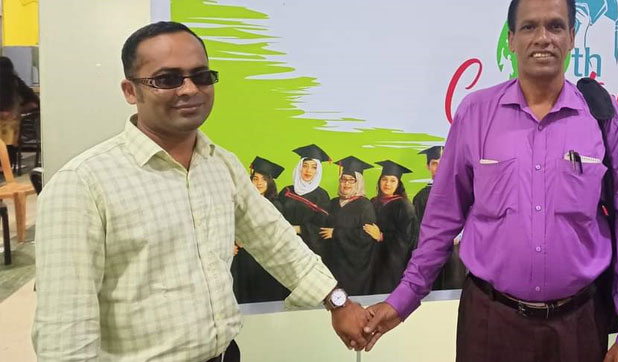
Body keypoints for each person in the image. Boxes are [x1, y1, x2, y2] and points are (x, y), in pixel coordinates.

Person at [33, 21, 370, 361]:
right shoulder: (83, 184)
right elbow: (65, 329)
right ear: (130, 91)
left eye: (201, 76)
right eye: (167, 79)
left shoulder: (221, 165)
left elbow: (274, 240)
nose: (190, 89)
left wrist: (337, 301)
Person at [364, 0, 618, 362]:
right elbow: (441, 220)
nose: (543, 38)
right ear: (511, 39)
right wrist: (403, 299)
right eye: (529, 26)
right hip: (490, 324)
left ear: (572, 37)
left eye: (555, 26)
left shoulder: (603, 118)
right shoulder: (476, 114)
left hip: (579, 324)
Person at [231, 156, 290, 303]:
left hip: (266, 258)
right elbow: (231, 227)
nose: (259, 183)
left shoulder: (276, 206)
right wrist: (232, 244)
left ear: (270, 183)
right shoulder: (240, 204)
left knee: (264, 295)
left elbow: (273, 234)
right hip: (244, 258)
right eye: (255, 179)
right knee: (244, 295)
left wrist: (245, 240)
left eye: (264, 179)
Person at [412, 145, 467, 290]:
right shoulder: (421, 197)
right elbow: (417, 228)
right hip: (431, 253)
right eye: (434, 163)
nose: (439, 167)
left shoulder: (461, 191)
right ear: (428, 166)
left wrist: (460, 234)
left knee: (454, 287)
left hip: (456, 253)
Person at [321, 156, 377, 295]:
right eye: (343, 179)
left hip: (354, 269)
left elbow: (366, 235)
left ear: (359, 182)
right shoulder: (333, 203)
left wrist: (336, 233)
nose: (346, 183)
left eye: (351, 180)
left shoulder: (365, 205)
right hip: (332, 264)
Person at [367, 160, 418, 294]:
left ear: (398, 184)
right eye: (384, 179)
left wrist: (381, 236)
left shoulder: (404, 206)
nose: (387, 184)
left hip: (392, 264)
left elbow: (407, 238)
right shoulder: (373, 202)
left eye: (392, 181)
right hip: (372, 261)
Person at [278, 144, 332, 259]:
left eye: (313, 167)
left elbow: (322, 227)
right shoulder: (286, 191)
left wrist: (298, 229)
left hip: (309, 249)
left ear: (318, 171)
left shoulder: (322, 196)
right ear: (299, 168)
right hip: (283, 243)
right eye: (305, 166)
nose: (308, 170)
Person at [0, 56, 39, 165]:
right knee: (9, 150)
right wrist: (18, 110)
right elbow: (34, 103)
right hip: (11, 127)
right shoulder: (16, 82)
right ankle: (6, 168)